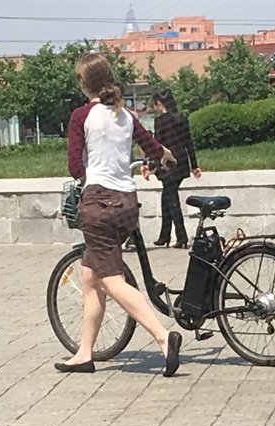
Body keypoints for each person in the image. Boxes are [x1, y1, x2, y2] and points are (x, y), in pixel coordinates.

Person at [55, 53, 182, 377]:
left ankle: (163, 337)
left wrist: (89, 178)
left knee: (111, 282)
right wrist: (166, 156)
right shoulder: (124, 114)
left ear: (84, 85)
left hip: (99, 206)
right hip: (127, 204)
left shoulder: (81, 116)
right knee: (89, 276)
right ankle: (84, 353)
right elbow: (151, 146)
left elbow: (74, 166)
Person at [142, 89, 201, 249]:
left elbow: (158, 145)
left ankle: (181, 236)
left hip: (168, 163)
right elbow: (188, 142)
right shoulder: (181, 118)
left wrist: (150, 165)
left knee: (171, 198)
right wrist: (194, 165)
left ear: (159, 104)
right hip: (182, 161)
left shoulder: (161, 121)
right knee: (166, 196)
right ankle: (164, 235)